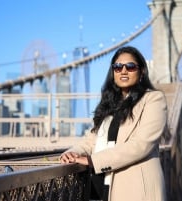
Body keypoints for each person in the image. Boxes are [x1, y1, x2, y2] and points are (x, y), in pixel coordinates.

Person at [60, 46, 167, 201]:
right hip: (103, 184)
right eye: (117, 67)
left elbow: (141, 145)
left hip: (136, 188)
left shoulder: (153, 100)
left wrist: (92, 160)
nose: (123, 71)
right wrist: (71, 153)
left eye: (130, 67)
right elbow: (91, 140)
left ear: (141, 71)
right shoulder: (109, 105)